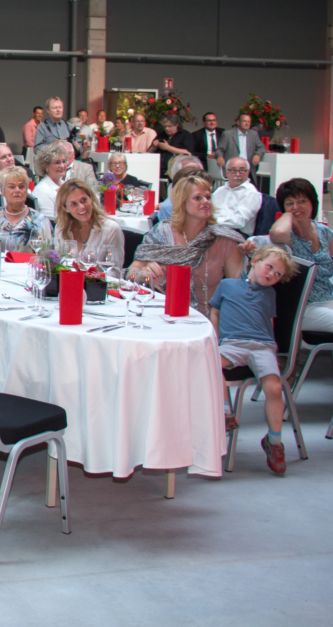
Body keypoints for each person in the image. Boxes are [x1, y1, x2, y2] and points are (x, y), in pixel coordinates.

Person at [208, 245, 297, 473]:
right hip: (233, 344)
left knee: (274, 388)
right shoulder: (227, 285)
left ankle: (274, 441)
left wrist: (272, 352)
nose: (272, 275)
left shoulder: (270, 293)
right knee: (211, 364)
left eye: (278, 274)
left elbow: (269, 322)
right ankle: (225, 410)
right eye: (270, 267)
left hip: (262, 346)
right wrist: (216, 340)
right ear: (254, 261)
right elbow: (215, 312)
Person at [132, 175, 246, 316]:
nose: (205, 202)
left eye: (208, 197)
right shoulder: (162, 232)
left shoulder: (224, 240)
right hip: (161, 314)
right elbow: (131, 273)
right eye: (198, 198)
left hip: (207, 319)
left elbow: (237, 289)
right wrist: (144, 272)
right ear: (182, 202)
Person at [268, 178, 333, 331]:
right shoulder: (287, 236)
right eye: (289, 203)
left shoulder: (325, 233)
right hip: (305, 308)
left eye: (302, 201)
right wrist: (289, 215)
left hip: (329, 300)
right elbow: (277, 233)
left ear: (312, 203)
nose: (296, 207)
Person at [0, 166, 53, 250]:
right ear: (2, 190)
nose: (17, 190)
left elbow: (48, 255)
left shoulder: (39, 220)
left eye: (21, 187)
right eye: (12, 187)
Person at [55, 179, 124, 266]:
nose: (81, 207)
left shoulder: (111, 229)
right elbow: (59, 266)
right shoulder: (61, 228)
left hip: (100, 280)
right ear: (65, 208)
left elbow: (114, 272)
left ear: (91, 198)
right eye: (73, 204)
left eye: (84, 200)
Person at [212, 157, 261, 236]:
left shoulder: (251, 193)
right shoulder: (219, 191)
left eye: (242, 170)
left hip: (237, 234)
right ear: (226, 172)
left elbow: (239, 221)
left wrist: (213, 221)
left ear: (248, 172)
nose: (237, 174)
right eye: (233, 170)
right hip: (214, 229)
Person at [31, 142, 72, 219]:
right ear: (46, 166)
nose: (62, 166)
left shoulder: (64, 184)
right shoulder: (42, 190)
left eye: (64, 161)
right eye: (57, 162)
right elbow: (50, 220)